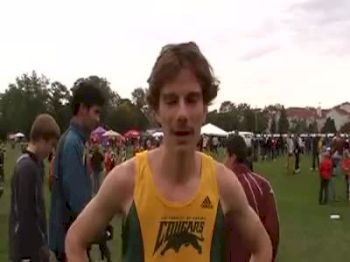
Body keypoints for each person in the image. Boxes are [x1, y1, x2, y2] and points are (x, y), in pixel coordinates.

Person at [65, 42, 272, 261]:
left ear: (204, 109)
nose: (182, 114)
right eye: (171, 101)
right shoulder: (127, 180)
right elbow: (75, 240)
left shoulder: (223, 183)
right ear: (156, 110)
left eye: (192, 100)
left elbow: (262, 246)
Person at [49, 80, 106, 261]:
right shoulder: (73, 143)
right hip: (70, 241)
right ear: (82, 108)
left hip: (69, 237)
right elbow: (78, 202)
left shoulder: (75, 140)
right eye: (96, 112)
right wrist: (97, 226)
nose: (98, 119)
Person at [9, 114, 60, 261]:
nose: (51, 150)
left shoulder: (34, 165)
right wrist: (40, 250)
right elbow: (27, 216)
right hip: (27, 252)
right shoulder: (27, 168)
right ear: (42, 139)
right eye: (51, 144)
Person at [224, 135, 279, 261]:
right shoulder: (263, 185)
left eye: (225, 156)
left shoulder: (223, 186)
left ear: (232, 157)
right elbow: (273, 232)